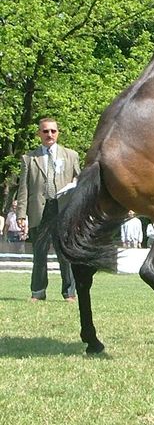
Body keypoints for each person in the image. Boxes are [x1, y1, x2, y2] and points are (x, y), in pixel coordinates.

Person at [16, 118, 80, 302]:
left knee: (66, 255)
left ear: (58, 133)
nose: (49, 134)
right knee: (39, 255)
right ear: (39, 134)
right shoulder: (29, 159)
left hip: (63, 210)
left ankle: (69, 293)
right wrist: (21, 214)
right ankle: (38, 292)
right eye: (45, 131)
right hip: (39, 212)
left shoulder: (71, 155)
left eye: (53, 131)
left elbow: (80, 180)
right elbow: (24, 189)